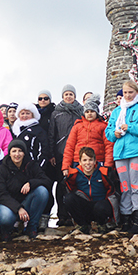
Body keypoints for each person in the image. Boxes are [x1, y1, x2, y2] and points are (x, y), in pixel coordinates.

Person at [106, 80, 138, 234]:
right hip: (120, 153)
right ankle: (125, 220)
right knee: (124, 187)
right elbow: (108, 132)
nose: (127, 95)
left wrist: (131, 127)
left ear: (136, 92)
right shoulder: (117, 111)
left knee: (137, 185)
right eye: (125, 92)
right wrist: (114, 134)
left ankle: (137, 220)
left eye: (130, 92)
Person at [0, 139, 52, 240]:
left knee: (42, 191)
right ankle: (6, 230)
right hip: (8, 206)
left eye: (20, 151)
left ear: (24, 153)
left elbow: (46, 180)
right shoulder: (1, 169)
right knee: (5, 217)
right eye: (14, 151)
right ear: (9, 153)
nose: (17, 154)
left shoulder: (31, 165)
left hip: (27, 203)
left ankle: (31, 227)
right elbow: (1, 194)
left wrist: (31, 183)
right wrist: (18, 208)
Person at [48, 85, 84, 228]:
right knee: (61, 184)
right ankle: (62, 215)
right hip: (60, 153)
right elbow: (52, 134)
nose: (69, 96)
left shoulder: (80, 112)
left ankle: (74, 215)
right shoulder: (56, 113)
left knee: (74, 183)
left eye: (71, 94)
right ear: (62, 96)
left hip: (77, 154)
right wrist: (52, 154)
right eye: (66, 94)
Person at [63, 147, 119, 234]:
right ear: (80, 162)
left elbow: (113, 191)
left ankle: (102, 224)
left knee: (100, 207)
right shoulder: (74, 174)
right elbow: (69, 189)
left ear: (95, 161)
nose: (88, 163)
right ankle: (82, 225)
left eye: (90, 160)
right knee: (69, 198)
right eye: (84, 160)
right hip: (86, 205)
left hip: (100, 206)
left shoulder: (104, 173)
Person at [62, 95, 114, 171]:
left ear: (96, 112)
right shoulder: (77, 126)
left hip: (97, 160)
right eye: (87, 112)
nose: (89, 114)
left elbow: (109, 147)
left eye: (92, 111)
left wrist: (108, 166)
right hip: (78, 161)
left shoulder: (103, 126)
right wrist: (66, 167)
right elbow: (69, 147)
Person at [12, 102, 52, 171]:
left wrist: (39, 167)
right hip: (17, 167)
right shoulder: (14, 129)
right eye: (22, 113)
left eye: (28, 113)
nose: (25, 116)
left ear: (33, 115)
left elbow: (44, 150)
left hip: (32, 167)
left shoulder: (38, 130)